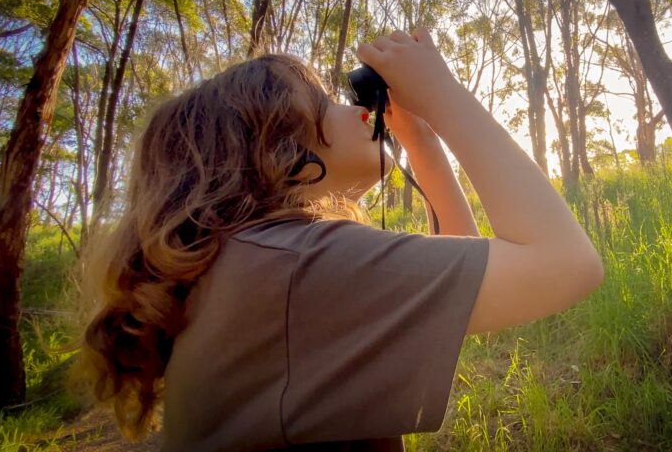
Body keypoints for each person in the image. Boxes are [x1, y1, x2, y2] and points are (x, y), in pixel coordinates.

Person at [74, 28, 603, 450]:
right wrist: (443, 93)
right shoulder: (297, 268)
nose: (356, 110)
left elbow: (459, 268)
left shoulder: (259, 265)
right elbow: (568, 263)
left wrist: (419, 138)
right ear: (276, 144)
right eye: (324, 101)